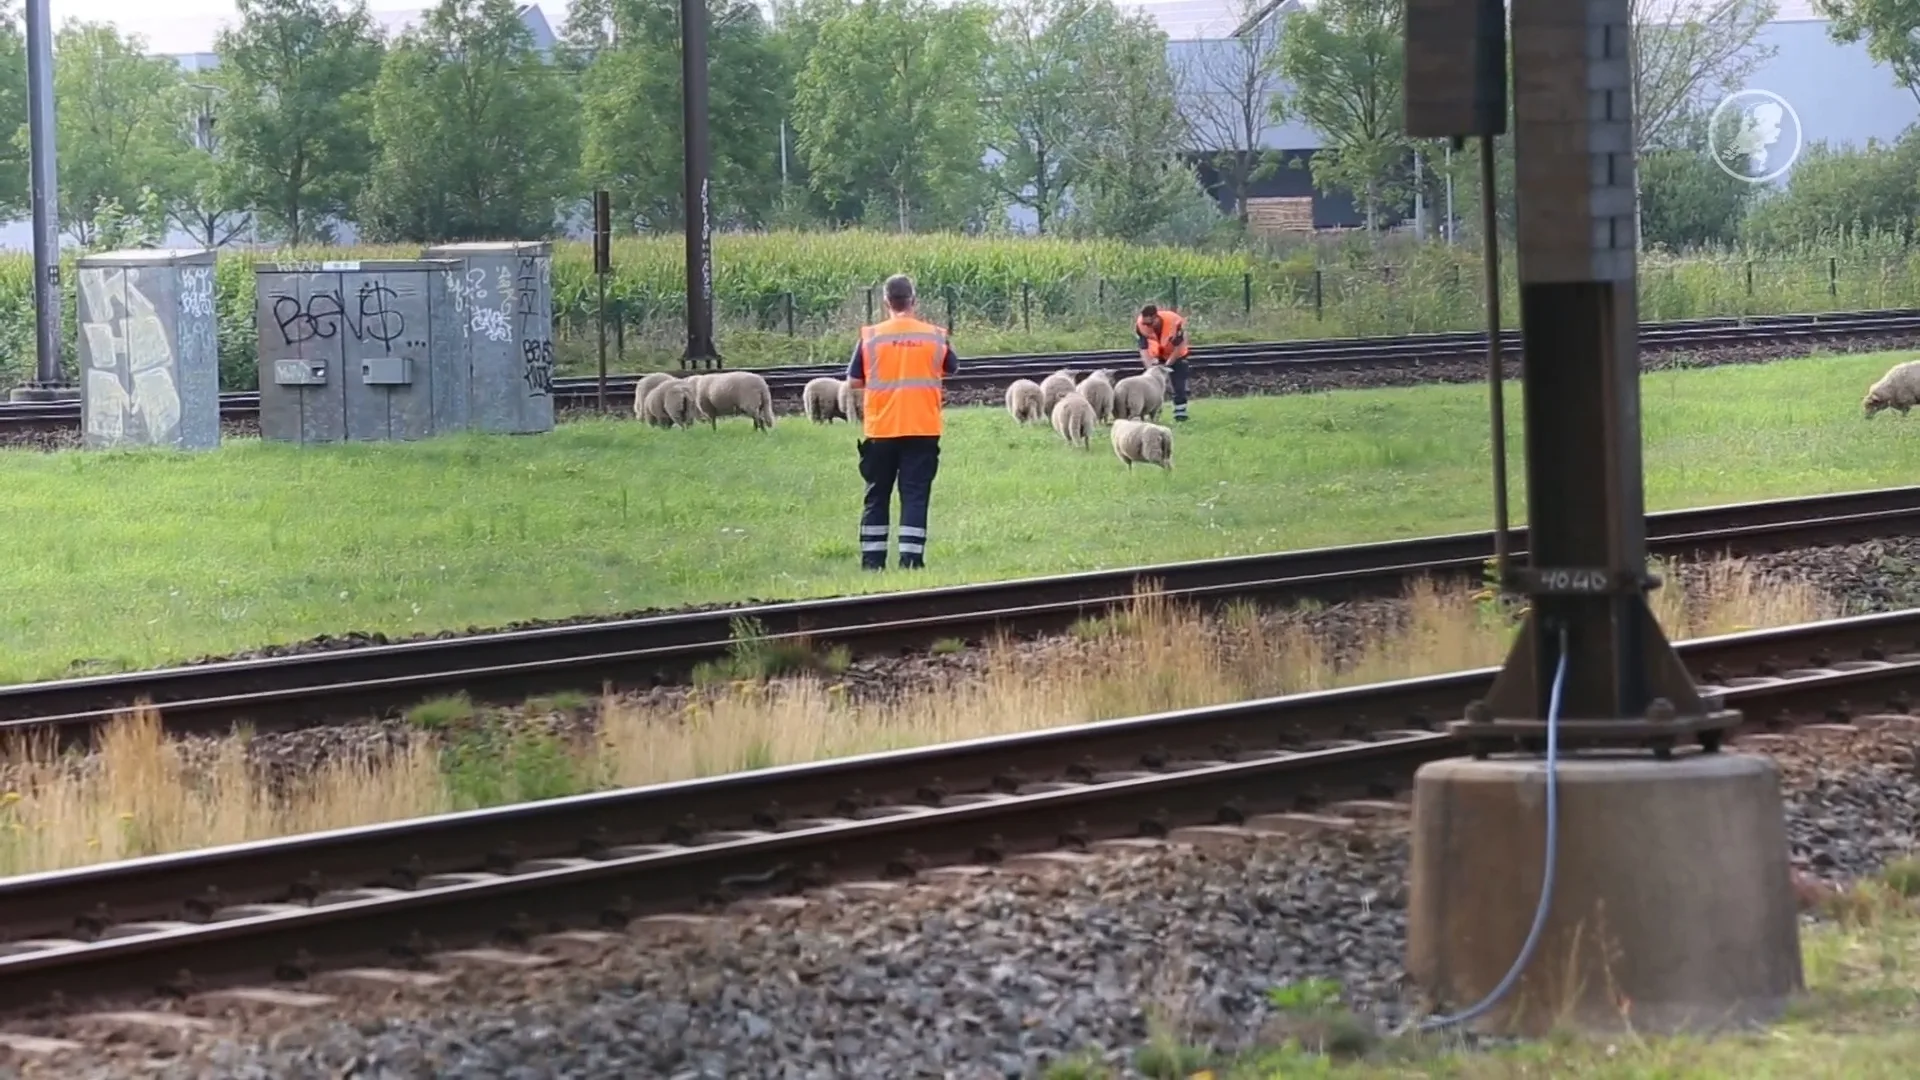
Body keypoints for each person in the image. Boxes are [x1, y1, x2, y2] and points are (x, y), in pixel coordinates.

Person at [845, 273, 957, 571]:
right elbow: (952, 367)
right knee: (915, 496)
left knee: (876, 496)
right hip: (922, 429)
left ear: (886, 302)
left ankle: (872, 563)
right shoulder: (933, 335)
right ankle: (911, 561)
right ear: (913, 300)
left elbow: (855, 381)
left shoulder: (871, 337)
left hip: (881, 430)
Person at [1135, 303, 1191, 422]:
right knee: (1152, 383)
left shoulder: (1174, 322)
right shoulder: (1141, 325)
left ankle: (1180, 413)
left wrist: (1168, 365)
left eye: (1150, 323)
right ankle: (1153, 412)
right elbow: (1143, 348)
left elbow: (1178, 347)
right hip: (1157, 356)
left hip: (1176, 355)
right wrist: (1150, 367)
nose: (1148, 326)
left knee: (1178, 382)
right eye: (1145, 324)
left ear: (1156, 317)